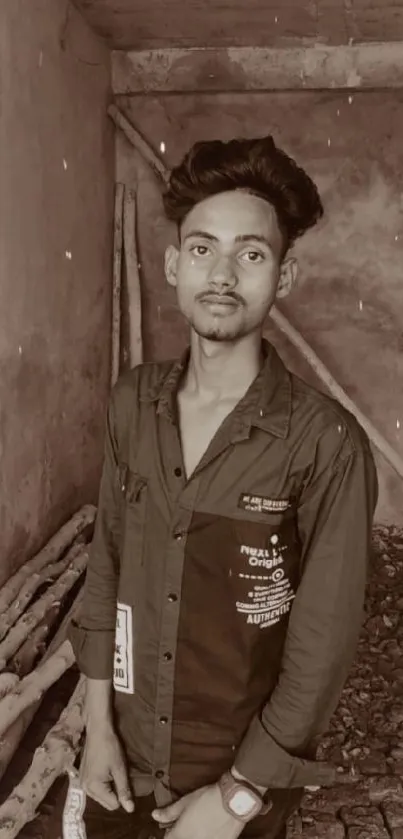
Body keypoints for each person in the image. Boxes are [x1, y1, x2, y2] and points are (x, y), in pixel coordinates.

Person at [67, 135, 378, 839]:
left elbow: (320, 644)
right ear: (175, 264)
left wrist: (238, 796)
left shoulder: (324, 442)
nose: (223, 274)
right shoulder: (132, 403)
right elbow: (107, 566)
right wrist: (97, 728)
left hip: (239, 789)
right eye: (203, 248)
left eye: (252, 253)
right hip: (122, 765)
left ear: (284, 274)